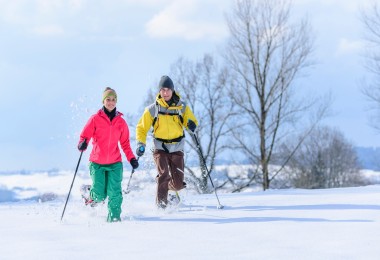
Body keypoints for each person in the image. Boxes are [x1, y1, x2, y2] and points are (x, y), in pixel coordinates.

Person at [77, 87, 139, 222]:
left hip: (115, 164)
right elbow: (84, 136)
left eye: (113, 100)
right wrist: (83, 143)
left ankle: (114, 220)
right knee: (99, 195)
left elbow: (125, 144)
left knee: (115, 193)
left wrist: (131, 158)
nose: (111, 102)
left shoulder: (121, 122)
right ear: (103, 101)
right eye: (108, 99)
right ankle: (89, 194)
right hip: (97, 163)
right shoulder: (95, 119)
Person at [136, 75, 198, 209]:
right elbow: (141, 127)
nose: (165, 93)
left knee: (178, 184)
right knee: (163, 175)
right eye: (163, 90)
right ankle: (161, 207)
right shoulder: (153, 109)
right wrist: (141, 144)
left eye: (168, 90)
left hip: (177, 147)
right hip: (160, 147)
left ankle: (169, 191)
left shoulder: (181, 107)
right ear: (159, 91)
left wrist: (191, 124)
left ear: (172, 90)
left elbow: (191, 120)